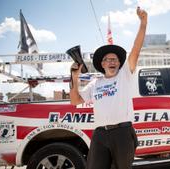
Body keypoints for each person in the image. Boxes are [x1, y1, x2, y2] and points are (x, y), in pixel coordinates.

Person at [70, 7, 147, 169]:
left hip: (123, 133)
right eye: (107, 59)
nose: (112, 61)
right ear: (102, 64)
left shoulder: (125, 74)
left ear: (120, 63)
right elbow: (75, 100)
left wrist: (143, 23)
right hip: (100, 134)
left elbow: (136, 49)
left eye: (115, 59)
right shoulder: (95, 83)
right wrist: (74, 77)